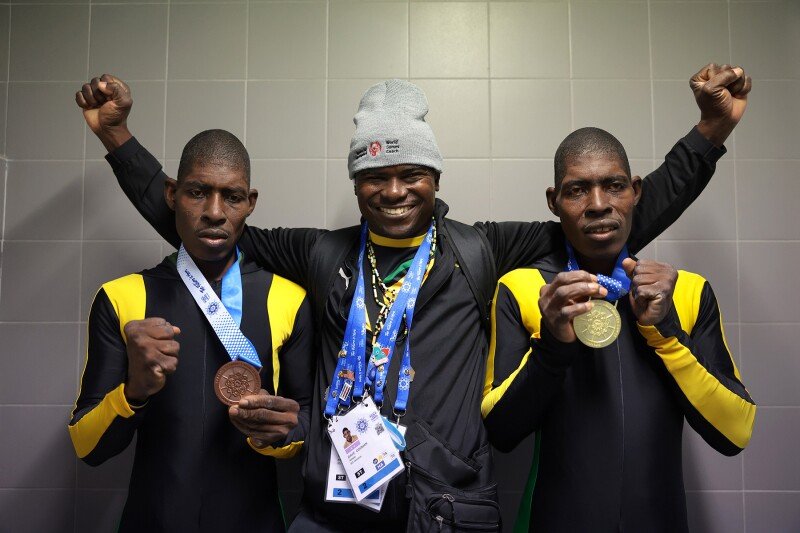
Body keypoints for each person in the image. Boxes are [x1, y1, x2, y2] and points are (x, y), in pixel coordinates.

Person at [75, 63, 750, 531]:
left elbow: (604, 222)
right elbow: (205, 224)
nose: (394, 190)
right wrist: (118, 141)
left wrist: (708, 137)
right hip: (337, 511)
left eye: (412, 174)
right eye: (374, 175)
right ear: (357, 181)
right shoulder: (321, 253)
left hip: (451, 512)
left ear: (434, 175)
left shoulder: (480, 249)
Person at [481, 127, 756, 532]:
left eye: (614, 186)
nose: (598, 204)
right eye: (577, 190)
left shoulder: (686, 291)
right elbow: (501, 432)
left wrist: (665, 332)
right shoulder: (524, 289)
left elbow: (735, 433)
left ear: (636, 192)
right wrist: (553, 345)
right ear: (553, 202)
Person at [67, 130, 315, 532]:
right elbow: (87, 447)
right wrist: (134, 392)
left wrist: (286, 431)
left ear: (249, 204)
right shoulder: (122, 297)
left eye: (232, 197)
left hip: (257, 521)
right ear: (171, 193)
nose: (215, 212)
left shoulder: (289, 300)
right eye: (198, 192)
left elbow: (306, 419)